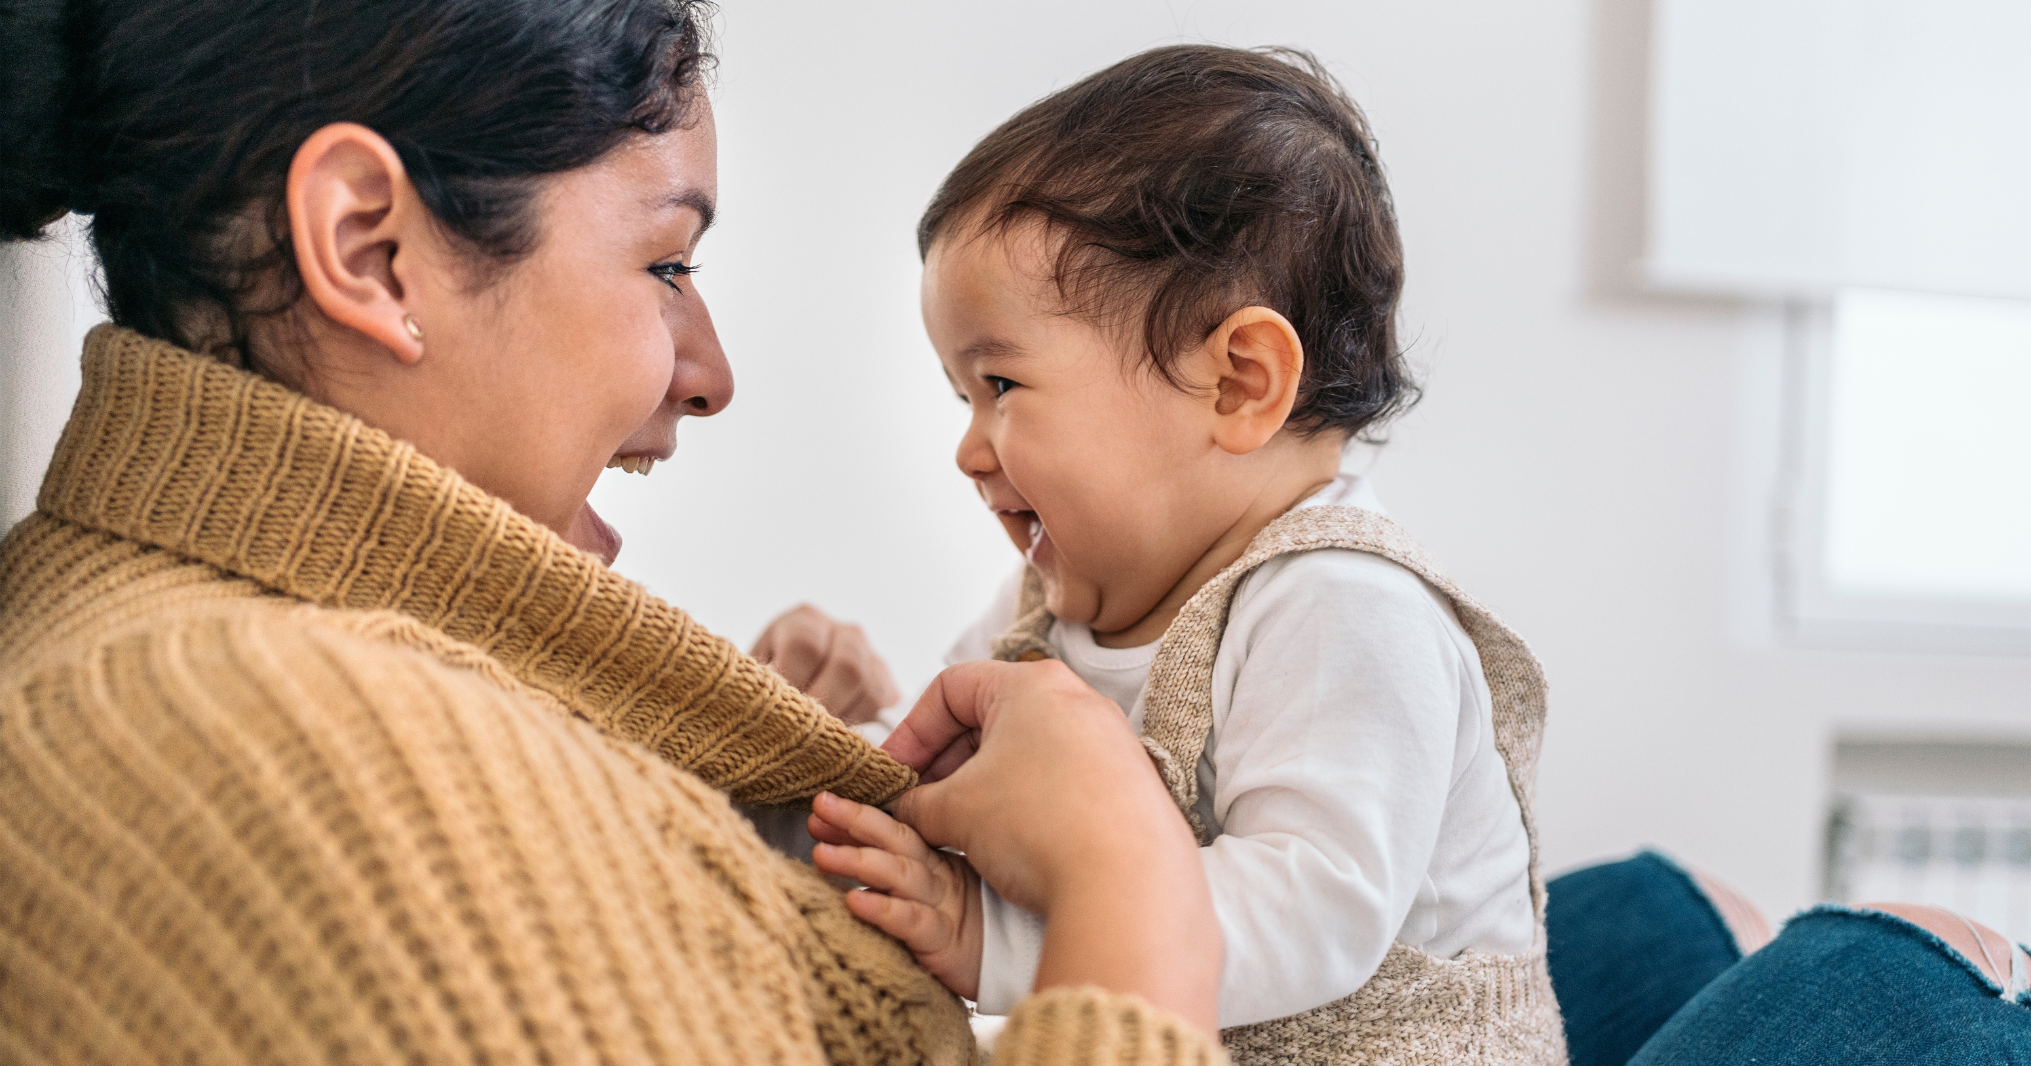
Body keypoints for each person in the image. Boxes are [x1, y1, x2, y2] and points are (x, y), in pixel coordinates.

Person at [0, 1, 1226, 1062]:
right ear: (369, 250)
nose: (711, 372)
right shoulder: (286, 753)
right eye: (666, 264)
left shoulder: (255, 695)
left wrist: (687, 810)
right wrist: (1132, 901)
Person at [798, 46, 1559, 1066]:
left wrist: (996, 935)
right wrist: (824, 772)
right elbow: (929, 762)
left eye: (1003, 386)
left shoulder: (1347, 603)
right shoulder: (1046, 607)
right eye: (960, 396)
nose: (970, 450)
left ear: (1239, 382)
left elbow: (1315, 910)